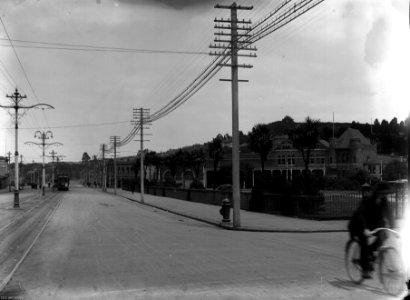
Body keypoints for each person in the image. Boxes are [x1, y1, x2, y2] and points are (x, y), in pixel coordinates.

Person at [348, 182, 395, 279]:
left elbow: (389, 213)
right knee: (364, 242)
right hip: (359, 224)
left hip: (372, 225)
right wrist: (365, 229)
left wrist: (393, 228)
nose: (384, 195)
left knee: (384, 235)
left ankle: (368, 254)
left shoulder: (384, 200)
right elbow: (361, 214)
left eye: (386, 193)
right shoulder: (367, 199)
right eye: (383, 193)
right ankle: (365, 270)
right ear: (378, 192)